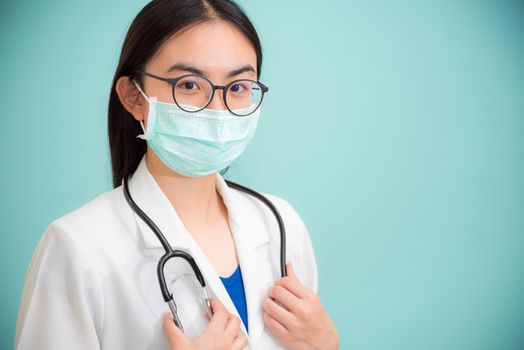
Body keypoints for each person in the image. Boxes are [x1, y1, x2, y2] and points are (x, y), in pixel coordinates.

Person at [15, 0, 339, 349]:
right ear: (133, 97)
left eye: (238, 87)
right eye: (189, 85)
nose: (217, 110)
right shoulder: (77, 248)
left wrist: (328, 346)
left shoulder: (281, 224)